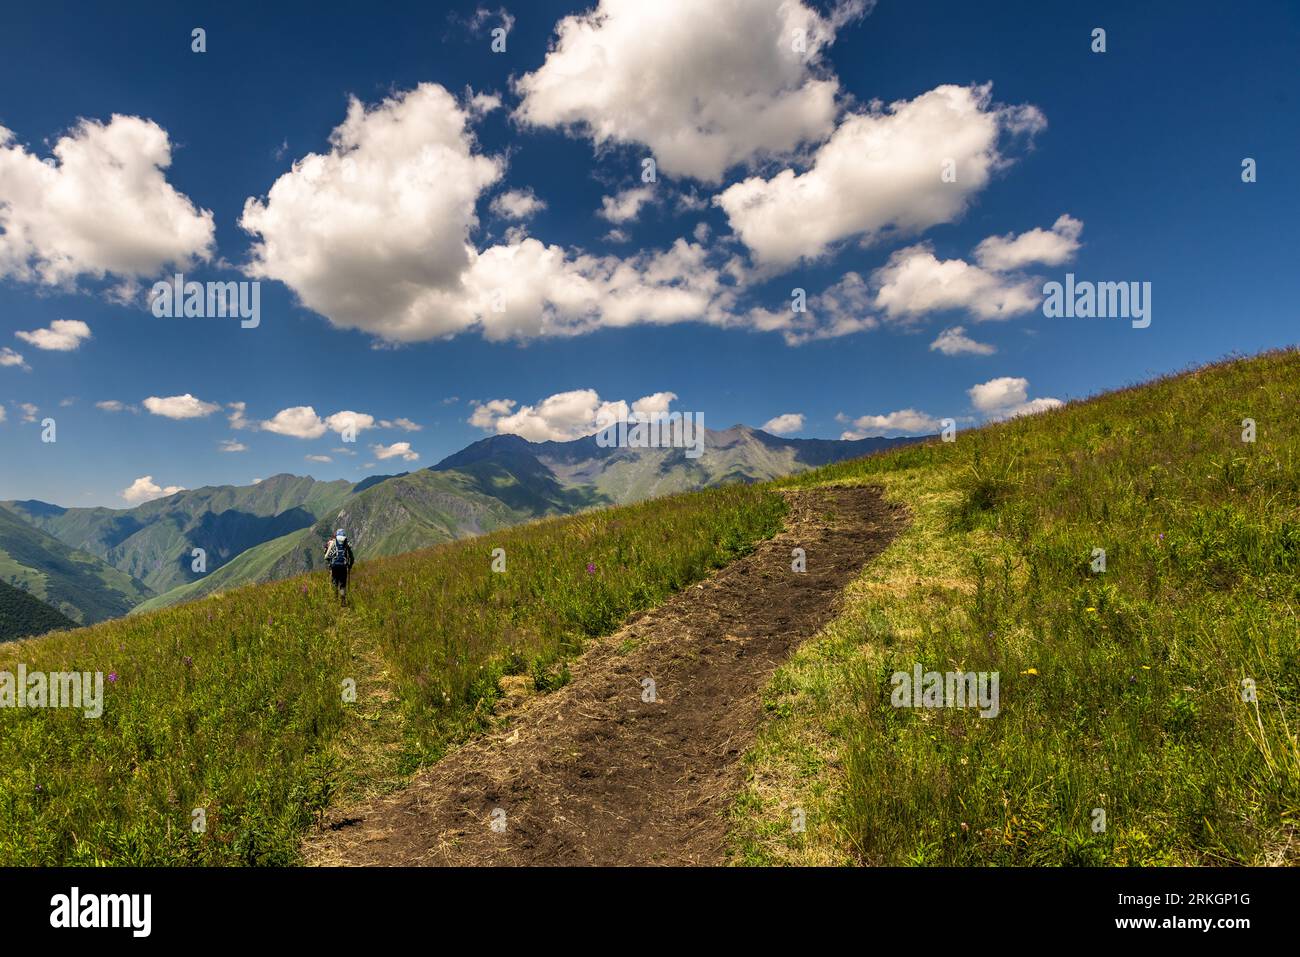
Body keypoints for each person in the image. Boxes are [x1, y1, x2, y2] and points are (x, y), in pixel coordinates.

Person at [325, 529, 355, 604]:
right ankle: (343, 600)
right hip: (343, 566)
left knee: (334, 582)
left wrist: (330, 562)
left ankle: (334, 600)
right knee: (342, 583)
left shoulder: (333, 542)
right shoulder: (346, 543)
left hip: (334, 566)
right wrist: (350, 565)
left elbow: (326, 557)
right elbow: (352, 557)